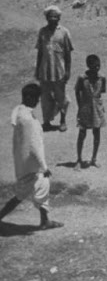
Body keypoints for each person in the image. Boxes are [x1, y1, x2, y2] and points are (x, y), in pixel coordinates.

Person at [0, 83, 62, 230]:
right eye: (36, 98)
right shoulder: (29, 121)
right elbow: (34, 146)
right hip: (31, 165)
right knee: (25, 192)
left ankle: (44, 220)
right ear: (31, 98)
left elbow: (16, 112)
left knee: (39, 186)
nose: (37, 101)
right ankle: (44, 221)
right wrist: (44, 167)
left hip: (21, 162)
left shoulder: (19, 112)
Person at [35, 5, 73, 132]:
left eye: (55, 17)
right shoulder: (42, 32)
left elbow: (68, 54)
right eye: (50, 17)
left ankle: (63, 120)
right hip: (44, 71)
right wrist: (37, 69)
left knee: (61, 97)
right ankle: (46, 121)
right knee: (45, 98)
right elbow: (40, 52)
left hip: (59, 71)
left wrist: (67, 71)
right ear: (46, 18)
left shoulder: (64, 32)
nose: (52, 19)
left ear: (59, 18)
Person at [74, 54, 106, 169]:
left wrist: (100, 106)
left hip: (97, 109)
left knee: (96, 133)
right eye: (94, 66)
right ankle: (79, 159)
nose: (97, 68)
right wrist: (80, 106)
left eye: (98, 66)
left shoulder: (102, 78)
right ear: (88, 66)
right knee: (82, 134)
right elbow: (77, 91)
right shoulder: (82, 78)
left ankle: (94, 158)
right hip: (85, 109)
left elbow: (101, 92)